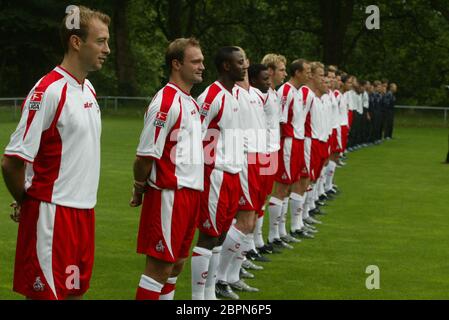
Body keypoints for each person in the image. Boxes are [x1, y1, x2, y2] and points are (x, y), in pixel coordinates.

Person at [1, 6, 110, 300]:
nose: (107, 49)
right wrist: (29, 201)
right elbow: (12, 161)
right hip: (51, 216)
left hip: (84, 214)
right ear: (77, 42)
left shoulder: (88, 89)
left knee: (73, 294)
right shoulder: (48, 91)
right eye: (100, 41)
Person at [131, 37, 205, 300]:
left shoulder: (191, 102)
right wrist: (139, 187)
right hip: (170, 195)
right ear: (176, 64)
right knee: (159, 268)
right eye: (195, 61)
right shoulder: (166, 102)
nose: (201, 66)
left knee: (176, 265)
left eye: (202, 61)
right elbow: (145, 155)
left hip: (190, 194)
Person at [190, 46, 245, 300]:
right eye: (240, 62)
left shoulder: (233, 95)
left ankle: (210, 293)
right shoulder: (211, 96)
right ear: (226, 66)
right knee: (208, 236)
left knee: (221, 235)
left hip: (233, 174)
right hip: (216, 175)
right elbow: (195, 138)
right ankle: (197, 297)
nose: (244, 66)